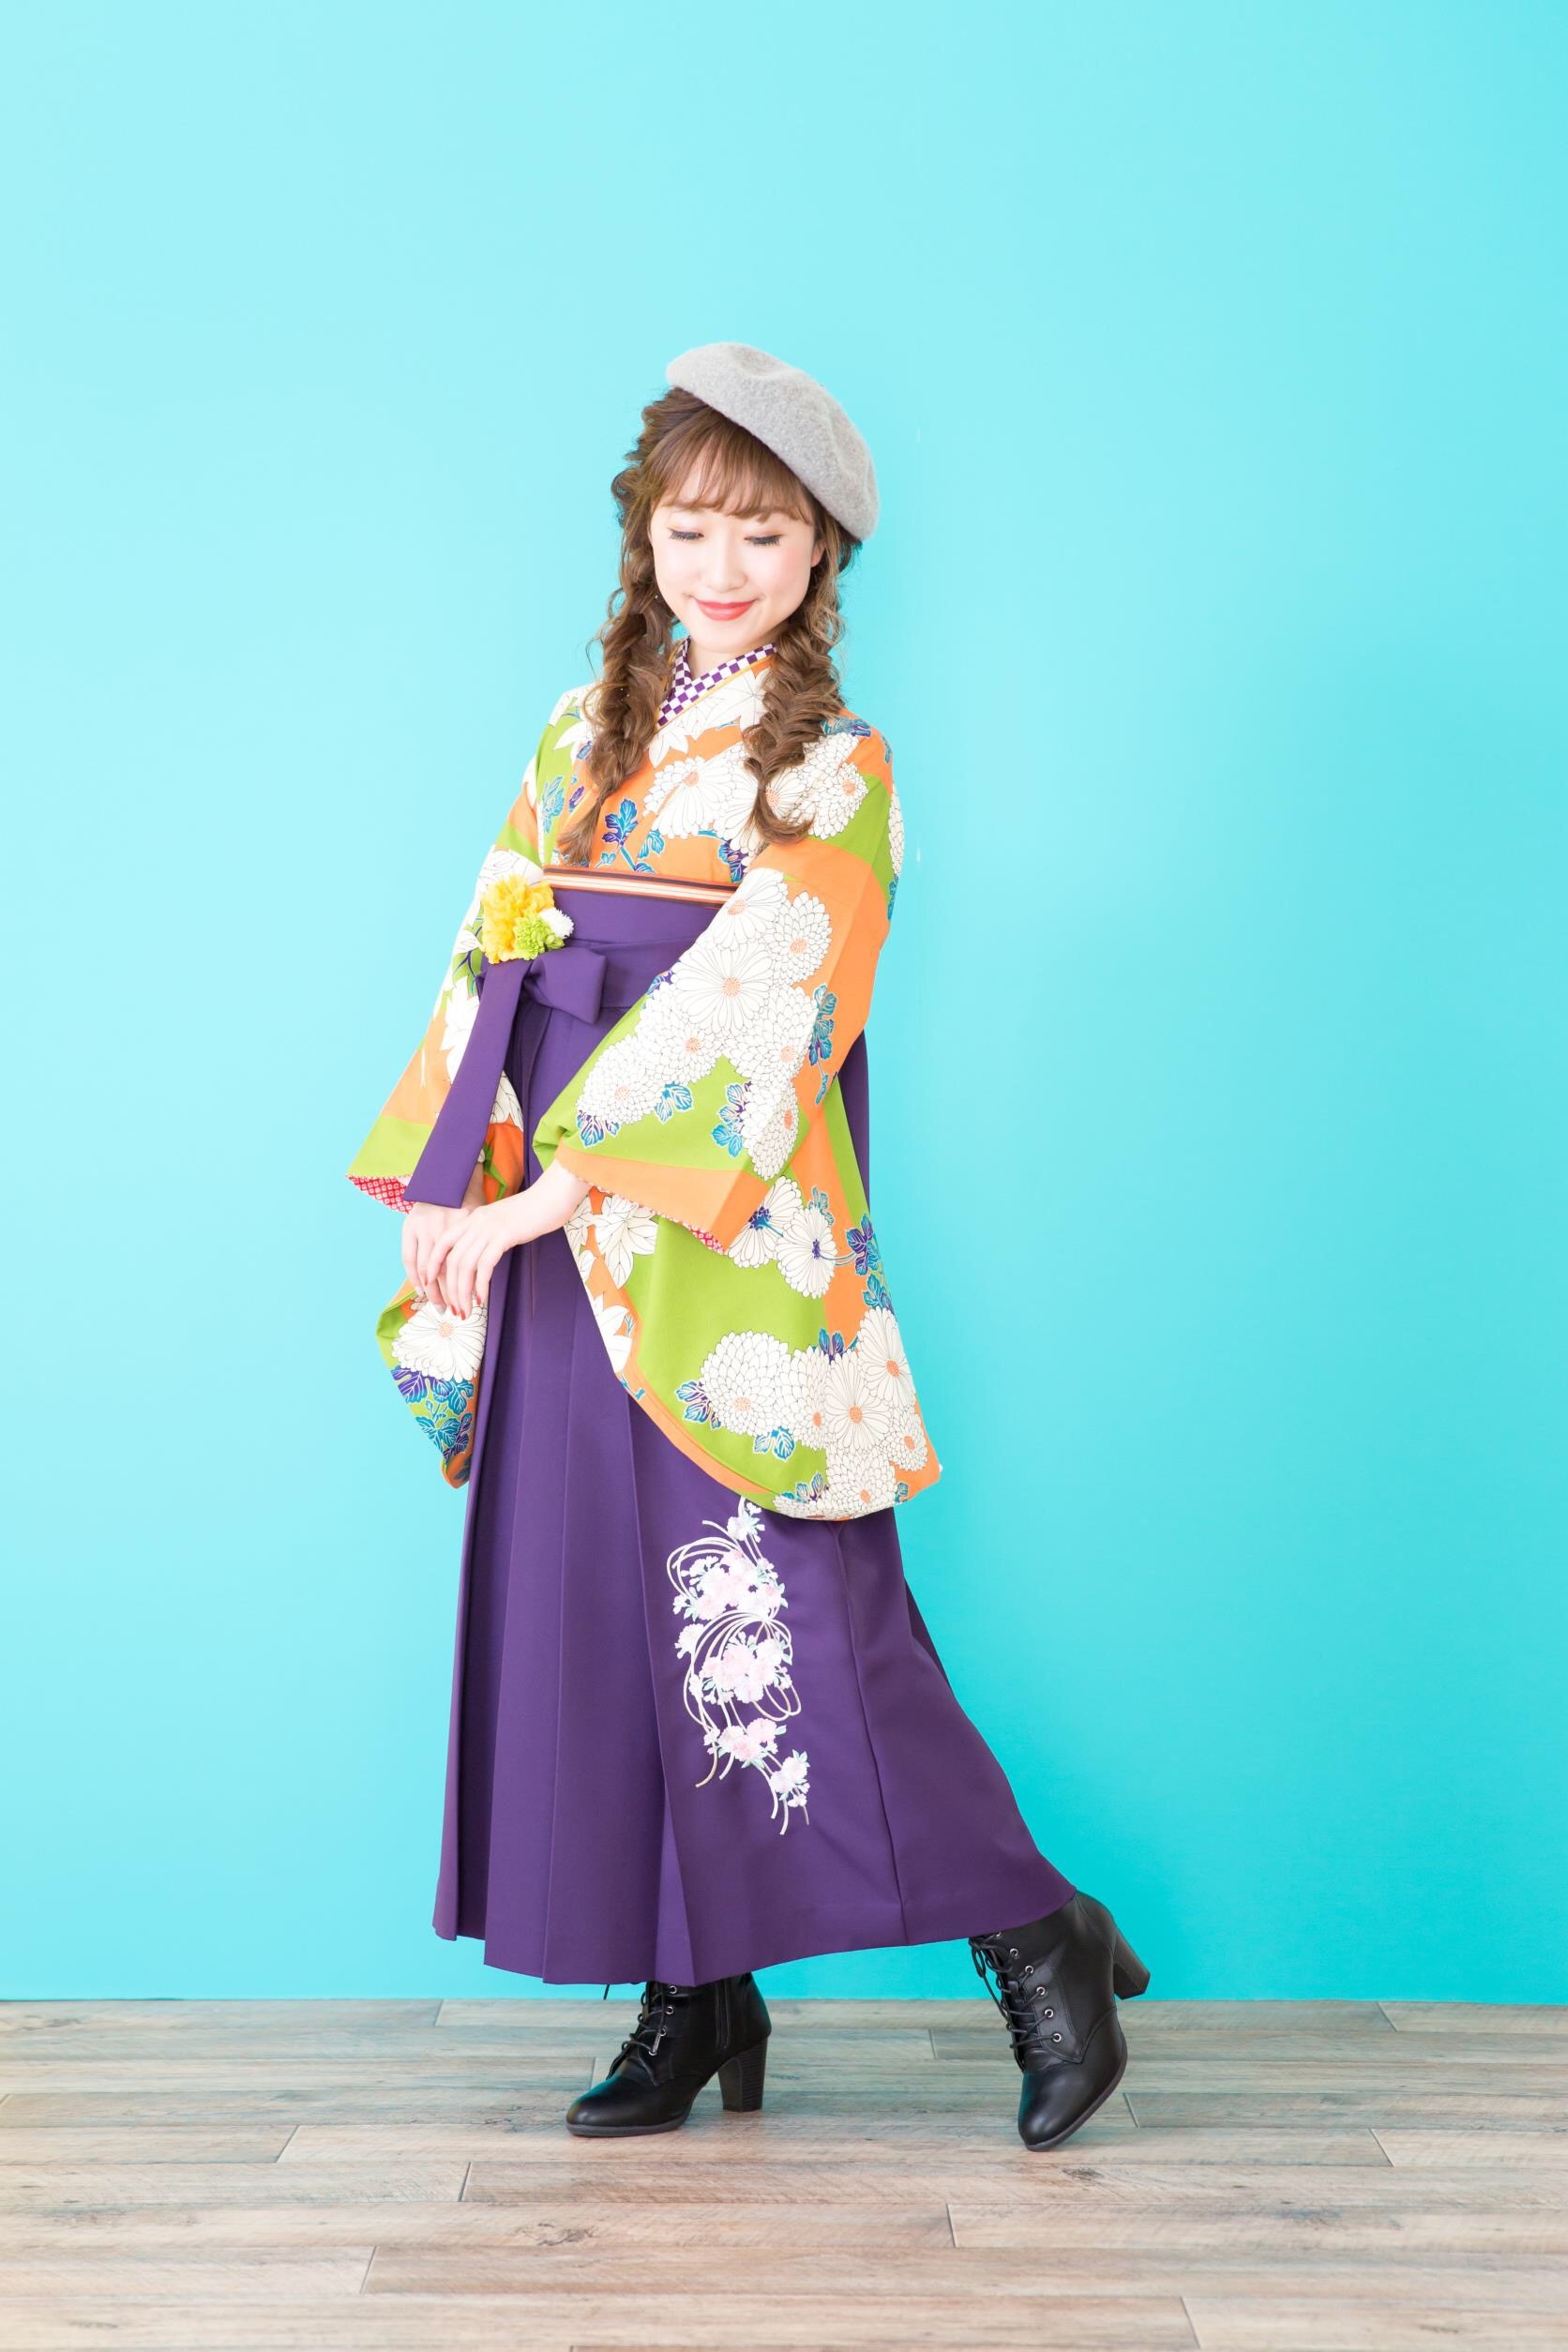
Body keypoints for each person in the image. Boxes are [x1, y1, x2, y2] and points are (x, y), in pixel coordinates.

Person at [346, 341, 1150, 2151]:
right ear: (644, 534)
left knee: (801, 1627)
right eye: (691, 528)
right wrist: (451, 1191)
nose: (722, 566)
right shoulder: (578, 732)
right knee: (597, 1610)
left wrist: (553, 1191)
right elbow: (488, 961)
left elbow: (760, 1012)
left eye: (764, 535)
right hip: (550, 1217)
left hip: (719, 1248)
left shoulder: (837, 767)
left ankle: (1039, 1938)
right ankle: (693, 1993)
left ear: (821, 560)